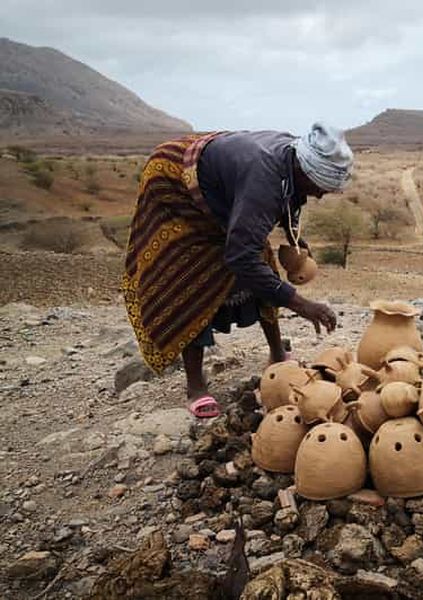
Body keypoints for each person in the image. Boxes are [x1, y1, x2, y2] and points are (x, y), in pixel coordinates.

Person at [122, 122, 352, 417]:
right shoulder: (263, 181)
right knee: (192, 278)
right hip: (175, 185)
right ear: (305, 171)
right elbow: (241, 256)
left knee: (262, 264)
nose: (319, 196)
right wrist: (300, 304)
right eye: (320, 187)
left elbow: (286, 195)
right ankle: (196, 386)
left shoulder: (292, 154)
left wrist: (294, 238)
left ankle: (278, 354)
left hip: (225, 187)